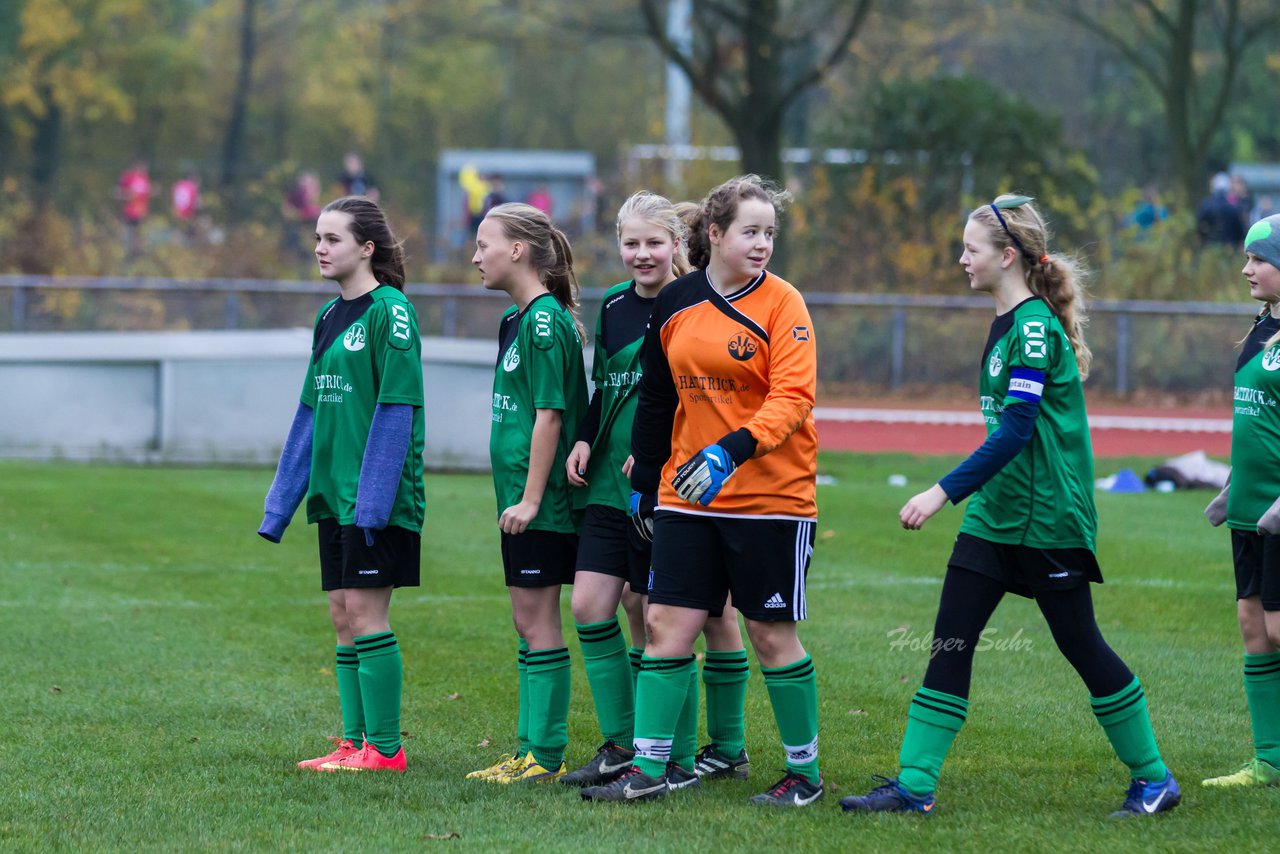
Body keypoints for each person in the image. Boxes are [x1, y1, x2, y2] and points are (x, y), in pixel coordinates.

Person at [840, 194, 1179, 818]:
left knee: (1081, 644)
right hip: (997, 516)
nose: (960, 259)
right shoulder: (1004, 323)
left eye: (971, 249)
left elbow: (1018, 430)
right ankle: (914, 785)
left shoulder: (1029, 328)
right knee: (950, 641)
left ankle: (1154, 778)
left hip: (1047, 518)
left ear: (1007, 256)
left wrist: (941, 491)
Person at [582, 175, 823, 806]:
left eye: (770, 232)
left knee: (769, 634)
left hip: (773, 499)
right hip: (687, 497)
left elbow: (793, 398)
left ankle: (804, 774)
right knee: (666, 622)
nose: (763, 243)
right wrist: (647, 480)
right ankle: (652, 767)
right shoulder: (677, 301)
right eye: (750, 231)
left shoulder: (784, 303)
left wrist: (732, 450)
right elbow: (659, 397)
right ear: (714, 235)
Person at [559, 192, 752, 791]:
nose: (641, 254)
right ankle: (622, 744)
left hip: (664, 488)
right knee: (590, 605)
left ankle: (678, 753)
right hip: (609, 487)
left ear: (677, 244)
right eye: (631, 243)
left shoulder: (693, 306)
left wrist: (662, 461)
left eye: (654, 243)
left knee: (659, 617)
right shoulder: (613, 306)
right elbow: (603, 391)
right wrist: (587, 439)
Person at [257, 196, 424, 773]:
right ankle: (354, 743)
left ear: (366, 248)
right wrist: (281, 504)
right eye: (319, 238)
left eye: (332, 239)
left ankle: (386, 749)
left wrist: (373, 503)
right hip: (334, 494)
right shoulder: (329, 316)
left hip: (373, 499)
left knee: (366, 613)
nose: (320, 248)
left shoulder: (391, 311)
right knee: (341, 614)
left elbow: (397, 408)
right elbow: (310, 411)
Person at [467, 203, 589, 784]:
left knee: (538, 621)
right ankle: (530, 749)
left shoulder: (543, 321)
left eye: (484, 244)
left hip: (539, 505)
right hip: (517, 499)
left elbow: (549, 416)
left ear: (518, 249)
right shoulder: (515, 320)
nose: (475, 256)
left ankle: (543, 754)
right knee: (526, 619)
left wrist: (534, 499)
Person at [1201, 213, 1280, 788]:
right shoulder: (1259, 328)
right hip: (1251, 509)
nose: (1247, 268)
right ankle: (1270, 761)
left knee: (1278, 628)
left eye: (1259, 259)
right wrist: (1234, 487)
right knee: (1253, 625)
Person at [282, 171, 322, 262]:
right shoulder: (296, 197)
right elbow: (288, 210)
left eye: (312, 185)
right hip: (297, 231)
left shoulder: (317, 204)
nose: (309, 188)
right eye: (306, 184)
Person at [1198, 172, 1247, 247]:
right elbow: (1240, 232)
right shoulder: (1234, 208)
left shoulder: (1206, 206)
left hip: (1209, 249)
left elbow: (1200, 227)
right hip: (1229, 250)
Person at [117, 158, 151, 255]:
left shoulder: (145, 178)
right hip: (130, 212)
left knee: (141, 238)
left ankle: (138, 255)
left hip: (142, 213)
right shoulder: (128, 176)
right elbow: (119, 192)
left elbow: (144, 195)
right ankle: (129, 255)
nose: (144, 169)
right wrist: (128, 195)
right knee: (129, 238)